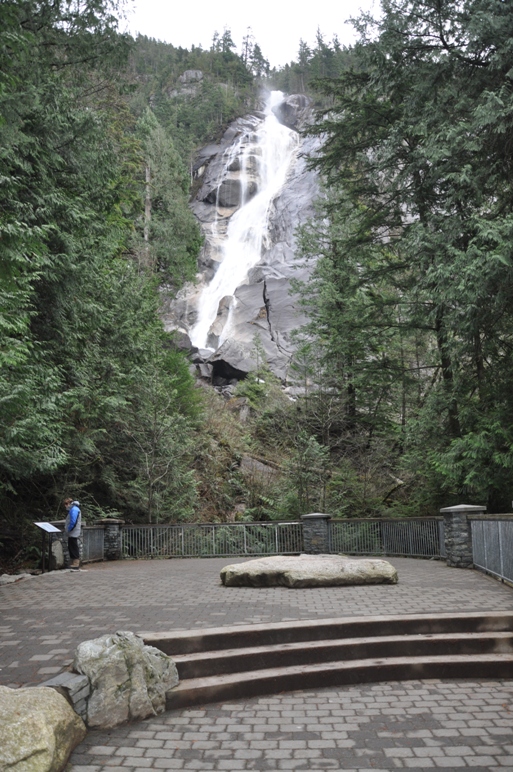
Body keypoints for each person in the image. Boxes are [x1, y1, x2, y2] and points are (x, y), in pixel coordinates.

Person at [64, 497, 81, 570]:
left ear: (68, 503)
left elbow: (73, 521)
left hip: (73, 531)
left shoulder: (74, 509)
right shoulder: (74, 509)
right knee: (72, 546)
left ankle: (75, 563)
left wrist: (68, 529)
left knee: (73, 546)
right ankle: (73, 562)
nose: (65, 506)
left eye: (65, 504)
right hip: (73, 531)